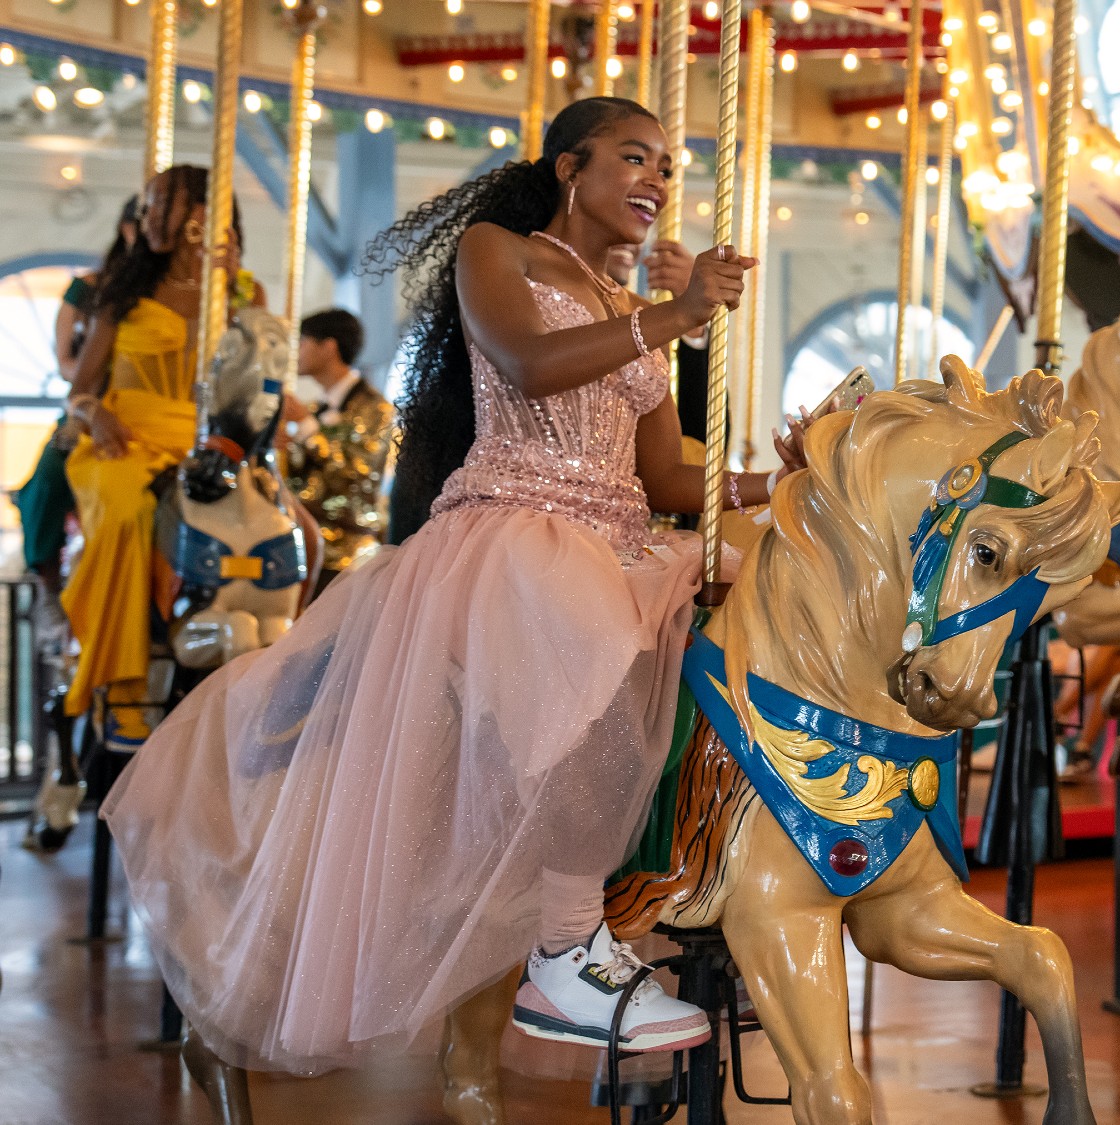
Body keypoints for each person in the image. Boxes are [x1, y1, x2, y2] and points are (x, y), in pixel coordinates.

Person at [103, 96, 809, 1073]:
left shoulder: (620, 306)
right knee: (594, 660)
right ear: (571, 167)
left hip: (619, 536)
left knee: (768, 608)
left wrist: (782, 478)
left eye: (667, 168)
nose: (656, 182)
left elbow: (668, 483)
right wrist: (671, 318)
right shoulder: (499, 250)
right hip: (517, 536)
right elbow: (527, 366)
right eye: (635, 159)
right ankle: (566, 948)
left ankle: (715, 877)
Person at [64, 167, 260, 748]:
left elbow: (256, 386)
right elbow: (80, 388)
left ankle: (273, 674)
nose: (146, 217)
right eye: (148, 205)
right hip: (122, 438)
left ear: (201, 215)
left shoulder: (243, 293)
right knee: (129, 513)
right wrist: (94, 414)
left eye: (158, 206)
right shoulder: (122, 293)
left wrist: (231, 295)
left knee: (294, 532)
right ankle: (120, 685)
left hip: (205, 443)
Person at [14, 196, 140, 642]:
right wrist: (102, 371)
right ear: (127, 228)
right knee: (49, 478)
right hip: (93, 404)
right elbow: (68, 363)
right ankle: (48, 581)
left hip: (149, 406)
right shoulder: (89, 289)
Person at [282, 309, 395, 594]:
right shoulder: (313, 409)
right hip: (301, 542)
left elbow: (356, 474)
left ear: (328, 347)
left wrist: (306, 428)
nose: (297, 352)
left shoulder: (375, 409)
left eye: (303, 342)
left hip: (347, 553)